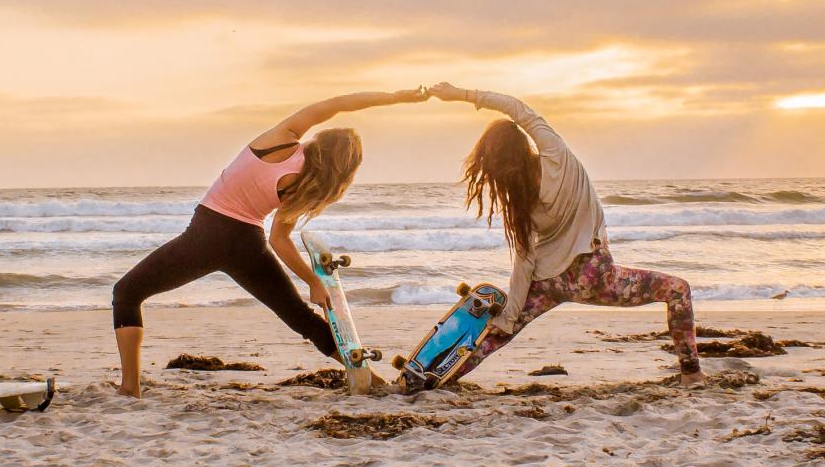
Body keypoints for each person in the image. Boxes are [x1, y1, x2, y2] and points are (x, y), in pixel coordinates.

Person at [109, 87, 427, 396]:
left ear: (322, 140)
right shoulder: (307, 184)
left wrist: (396, 97)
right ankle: (371, 379)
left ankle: (130, 387)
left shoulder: (283, 138)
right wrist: (312, 281)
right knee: (301, 319)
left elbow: (339, 102)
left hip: (207, 235)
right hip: (248, 244)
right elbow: (278, 239)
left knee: (127, 293)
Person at [426, 82, 699, 380]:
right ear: (522, 147)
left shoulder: (520, 202)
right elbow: (518, 108)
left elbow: (524, 261)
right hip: (594, 276)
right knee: (678, 290)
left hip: (548, 283)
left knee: (496, 336)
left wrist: (509, 316)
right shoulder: (557, 155)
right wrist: (463, 95)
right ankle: (691, 374)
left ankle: (439, 378)